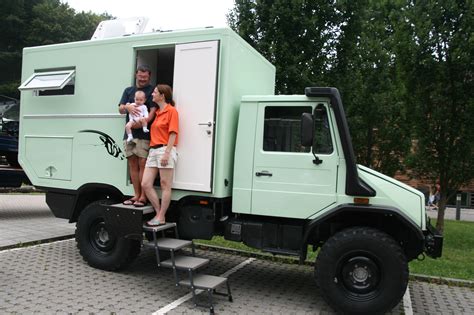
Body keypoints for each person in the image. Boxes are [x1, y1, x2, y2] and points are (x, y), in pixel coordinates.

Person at [118, 65, 157, 207]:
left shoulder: (153, 90)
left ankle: (143, 196)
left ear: (149, 76)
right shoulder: (128, 91)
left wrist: (143, 123)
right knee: (132, 164)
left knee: (143, 164)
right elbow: (120, 109)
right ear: (136, 75)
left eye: (145, 77)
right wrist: (126, 107)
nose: (142, 79)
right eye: (140, 76)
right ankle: (136, 194)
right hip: (129, 134)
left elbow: (152, 111)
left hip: (143, 134)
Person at [141, 84, 179, 226]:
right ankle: (159, 213)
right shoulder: (157, 113)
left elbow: (173, 133)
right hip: (153, 150)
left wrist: (167, 153)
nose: (152, 94)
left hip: (165, 150)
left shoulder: (171, 111)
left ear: (162, 96)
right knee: (146, 183)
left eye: (155, 92)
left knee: (165, 185)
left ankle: (161, 216)